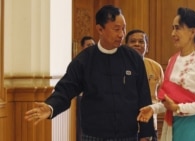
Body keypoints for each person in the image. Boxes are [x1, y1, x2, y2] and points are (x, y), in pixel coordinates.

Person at [24, 5, 155, 141]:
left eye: (123, 28)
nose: (122, 34)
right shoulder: (84, 60)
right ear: (100, 29)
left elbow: (144, 97)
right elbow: (65, 89)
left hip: (128, 135)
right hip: (94, 135)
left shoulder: (133, 58)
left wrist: (146, 134)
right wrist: (51, 107)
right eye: (116, 29)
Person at [137, 7, 195, 141]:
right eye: (172, 28)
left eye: (178, 28)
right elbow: (170, 102)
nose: (173, 33)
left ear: (192, 32)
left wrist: (178, 107)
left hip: (194, 125)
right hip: (173, 124)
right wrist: (153, 108)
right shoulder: (172, 60)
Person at [125, 29, 164, 141]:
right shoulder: (119, 66)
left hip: (150, 124)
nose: (137, 44)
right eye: (133, 41)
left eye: (141, 41)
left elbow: (162, 97)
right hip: (126, 126)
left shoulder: (156, 68)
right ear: (126, 46)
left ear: (147, 47)